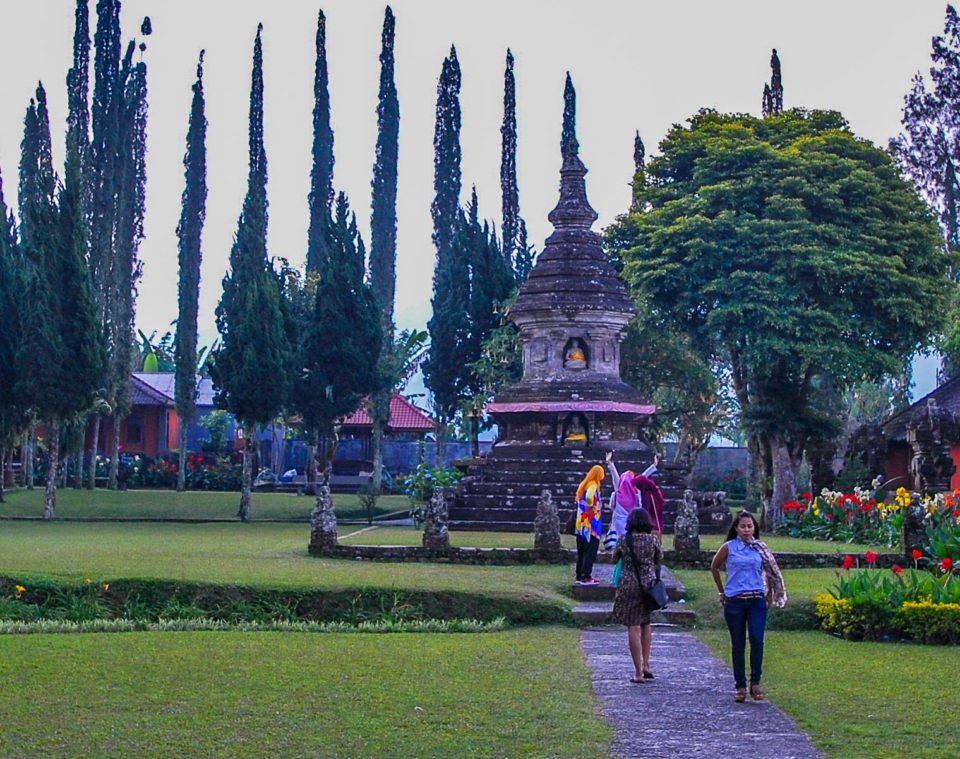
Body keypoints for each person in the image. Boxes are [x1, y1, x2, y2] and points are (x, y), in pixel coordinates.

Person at [710, 510, 788, 703]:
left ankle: (755, 683)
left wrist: (769, 593)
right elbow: (714, 566)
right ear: (736, 528)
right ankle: (740, 686)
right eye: (743, 526)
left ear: (755, 528)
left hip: (756, 600)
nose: (746, 530)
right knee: (738, 643)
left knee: (757, 638)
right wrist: (722, 592)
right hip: (735, 600)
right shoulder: (729, 547)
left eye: (750, 526)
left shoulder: (760, 548)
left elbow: (770, 571)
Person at [612, 507, 662, 683]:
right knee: (646, 623)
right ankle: (646, 664)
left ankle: (638, 671)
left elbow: (614, 557)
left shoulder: (624, 540)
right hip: (648, 586)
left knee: (633, 626)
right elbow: (658, 559)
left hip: (628, 585)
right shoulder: (653, 540)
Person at [604, 452, 660, 549]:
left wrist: (610, 463)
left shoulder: (617, 493)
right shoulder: (635, 494)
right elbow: (642, 477)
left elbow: (615, 477)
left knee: (620, 543)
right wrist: (653, 466)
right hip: (631, 523)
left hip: (618, 522)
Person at [573, 464, 605, 585]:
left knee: (581, 551)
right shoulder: (592, 485)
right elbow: (589, 497)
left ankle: (579, 575)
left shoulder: (584, 484)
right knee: (590, 551)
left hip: (581, 525)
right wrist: (591, 506)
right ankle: (586, 576)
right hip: (591, 526)